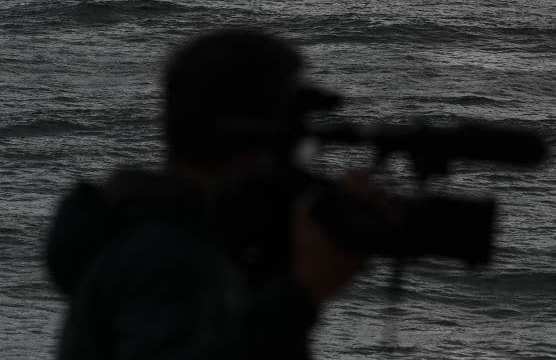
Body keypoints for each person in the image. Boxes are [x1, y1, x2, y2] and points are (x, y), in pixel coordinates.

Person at [44, 28, 367, 359]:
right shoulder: (165, 256)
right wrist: (300, 295)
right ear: (254, 144)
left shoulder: (164, 232)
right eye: (293, 144)